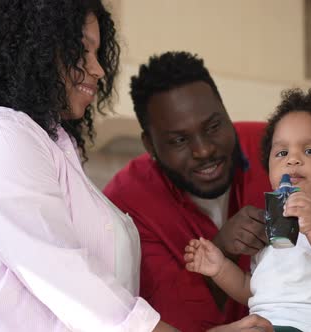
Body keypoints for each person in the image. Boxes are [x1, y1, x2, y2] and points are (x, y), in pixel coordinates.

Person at [0, 1, 272, 331]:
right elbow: (65, 281)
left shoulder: (52, 146)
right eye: (83, 51)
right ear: (34, 49)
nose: (98, 69)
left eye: (98, 54)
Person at [184, 88, 311, 332]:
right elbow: (253, 290)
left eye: (310, 151)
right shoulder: (274, 224)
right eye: (281, 153)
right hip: (267, 325)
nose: (293, 159)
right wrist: (220, 269)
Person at [103, 51, 273, 331]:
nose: (204, 150)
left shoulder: (277, 149)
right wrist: (221, 249)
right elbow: (177, 323)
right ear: (150, 145)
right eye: (179, 140)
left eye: (214, 126)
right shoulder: (126, 203)